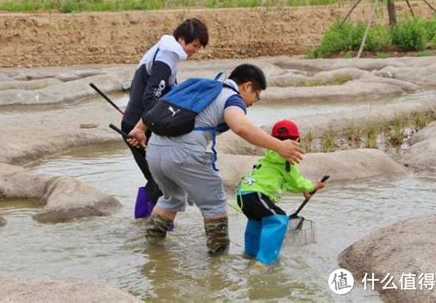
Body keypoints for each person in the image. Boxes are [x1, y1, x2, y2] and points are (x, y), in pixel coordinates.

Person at [127, 64, 304, 255]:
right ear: (247, 86)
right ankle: (219, 263)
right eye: (256, 96)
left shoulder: (199, 87)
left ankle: (152, 252)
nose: (253, 102)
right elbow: (241, 127)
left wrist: (139, 129)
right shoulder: (231, 98)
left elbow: (158, 108)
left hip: (154, 151)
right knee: (215, 203)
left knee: (171, 199)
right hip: (184, 155)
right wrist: (279, 146)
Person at [121, 18, 209, 205]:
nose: (196, 50)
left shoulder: (164, 52)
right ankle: (157, 230)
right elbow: (150, 99)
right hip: (139, 128)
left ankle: (142, 223)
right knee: (160, 181)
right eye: (194, 45)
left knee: (156, 178)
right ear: (182, 39)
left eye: (199, 47)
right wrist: (145, 127)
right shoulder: (165, 59)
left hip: (137, 122)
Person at [236, 119, 326, 265]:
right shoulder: (285, 160)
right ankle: (264, 261)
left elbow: (285, 183)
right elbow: (297, 182)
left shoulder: (268, 157)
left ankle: (250, 255)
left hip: (244, 194)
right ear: (297, 140)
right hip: (257, 194)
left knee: (257, 221)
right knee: (278, 220)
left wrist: (304, 190)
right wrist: (313, 186)